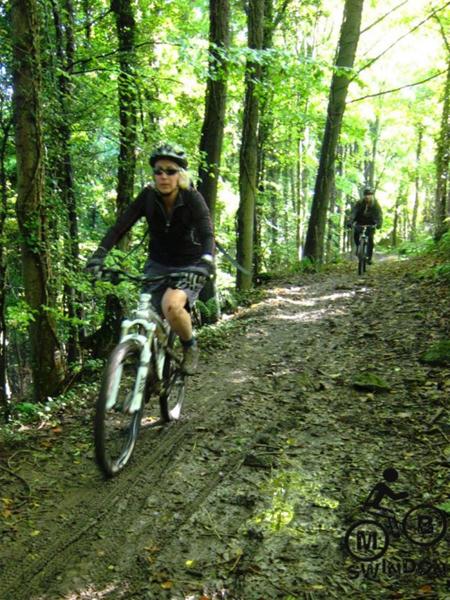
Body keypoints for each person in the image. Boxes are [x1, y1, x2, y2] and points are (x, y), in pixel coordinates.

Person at [86, 144, 215, 374]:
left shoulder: (192, 197)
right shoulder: (148, 197)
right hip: (157, 263)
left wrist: (206, 261)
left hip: (190, 265)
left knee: (172, 306)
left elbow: (207, 233)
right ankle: (148, 359)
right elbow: (119, 228)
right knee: (146, 313)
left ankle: (190, 347)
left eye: (170, 171)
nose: (164, 176)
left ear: (180, 175)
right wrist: (99, 256)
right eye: (158, 171)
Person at [349, 188, 383, 264]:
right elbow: (354, 212)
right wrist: (350, 222)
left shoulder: (375, 205)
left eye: (369, 195)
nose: (367, 197)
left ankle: (369, 258)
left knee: (370, 239)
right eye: (366, 195)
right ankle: (358, 248)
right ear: (364, 196)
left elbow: (379, 215)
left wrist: (379, 223)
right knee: (356, 235)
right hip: (360, 222)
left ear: (372, 196)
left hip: (370, 224)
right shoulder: (359, 203)